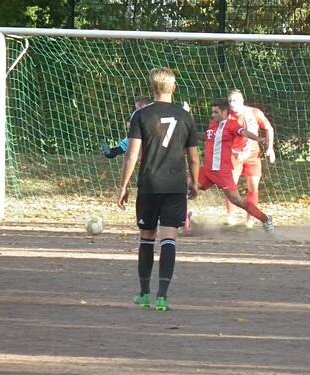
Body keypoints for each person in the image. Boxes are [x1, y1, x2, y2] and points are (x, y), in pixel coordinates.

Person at [117, 68, 199, 312]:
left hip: (149, 184)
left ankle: (144, 293)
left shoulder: (140, 115)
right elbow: (194, 157)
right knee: (169, 238)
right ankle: (162, 296)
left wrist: (123, 186)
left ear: (152, 88)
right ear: (173, 88)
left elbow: (132, 154)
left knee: (147, 237)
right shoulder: (185, 117)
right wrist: (194, 182)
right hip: (175, 186)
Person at [197, 99, 274, 234]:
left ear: (225, 112)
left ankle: (266, 219)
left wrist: (258, 139)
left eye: (215, 112)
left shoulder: (231, 125)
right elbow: (208, 137)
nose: (212, 114)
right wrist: (190, 134)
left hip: (222, 171)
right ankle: (180, 219)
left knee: (237, 200)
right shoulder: (213, 125)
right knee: (187, 187)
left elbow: (244, 132)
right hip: (207, 170)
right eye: (212, 112)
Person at [225, 89, 276, 228]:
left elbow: (268, 128)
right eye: (230, 101)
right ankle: (231, 217)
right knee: (231, 186)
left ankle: (251, 218)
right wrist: (232, 151)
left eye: (235, 100)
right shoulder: (226, 116)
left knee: (253, 186)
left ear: (242, 101)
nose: (232, 104)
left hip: (252, 155)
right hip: (234, 154)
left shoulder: (254, 113)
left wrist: (270, 148)